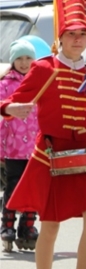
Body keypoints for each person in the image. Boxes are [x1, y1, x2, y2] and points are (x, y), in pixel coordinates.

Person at [0, 0, 86, 269]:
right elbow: (14, 98)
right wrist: (8, 108)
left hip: (85, 154)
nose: (77, 39)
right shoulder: (44, 68)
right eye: (71, 33)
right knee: (50, 225)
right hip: (52, 154)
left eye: (82, 34)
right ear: (60, 38)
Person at [0, 40, 40, 251]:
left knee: (34, 186)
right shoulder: (5, 84)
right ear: (13, 60)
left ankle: (28, 225)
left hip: (37, 146)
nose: (24, 63)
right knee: (14, 185)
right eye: (20, 58)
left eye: (28, 58)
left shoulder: (40, 82)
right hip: (13, 146)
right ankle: (7, 225)